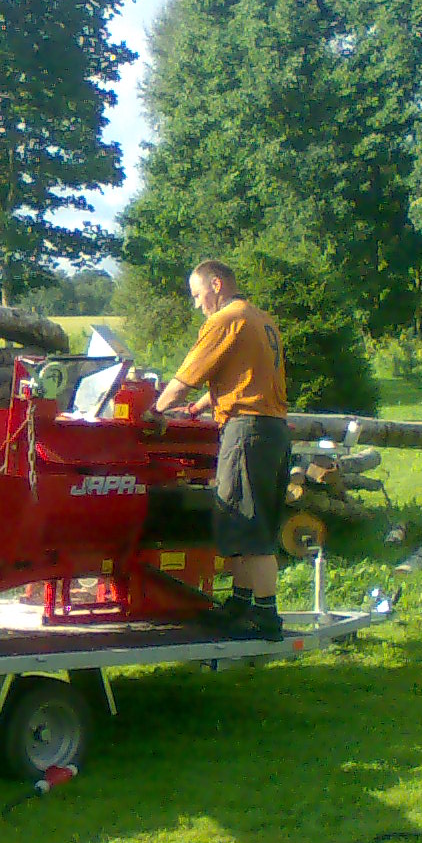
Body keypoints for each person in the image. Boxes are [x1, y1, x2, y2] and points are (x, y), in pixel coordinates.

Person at [152, 260, 290, 641]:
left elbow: (186, 376)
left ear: (216, 284)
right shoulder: (260, 319)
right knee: (244, 520)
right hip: (272, 429)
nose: (197, 304)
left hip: (247, 430)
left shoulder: (227, 319)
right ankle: (241, 602)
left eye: (198, 295)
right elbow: (244, 377)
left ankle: (266, 615)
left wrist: (155, 410)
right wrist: (199, 408)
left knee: (248, 522)